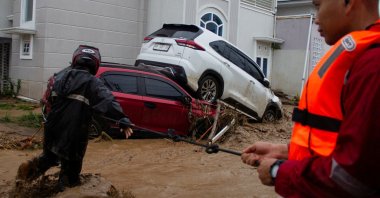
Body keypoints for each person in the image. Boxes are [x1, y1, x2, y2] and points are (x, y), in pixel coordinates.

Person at [241, 0, 380, 197]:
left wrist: (278, 171)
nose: (316, 18)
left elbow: (356, 176)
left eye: (318, 5)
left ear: (349, 3)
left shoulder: (373, 67)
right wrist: (285, 151)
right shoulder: (360, 61)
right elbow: (336, 141)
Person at [16, 45, 134, 191]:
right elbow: (108, 102)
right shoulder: (93, 83)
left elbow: (46, 102)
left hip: (52, 129)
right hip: (74, 134)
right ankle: (64, 188)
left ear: (75, 59)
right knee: (70, 174)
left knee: (49, 157)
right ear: (95, 64)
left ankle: (26, 177)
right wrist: (123, 120)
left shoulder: (58, 77)